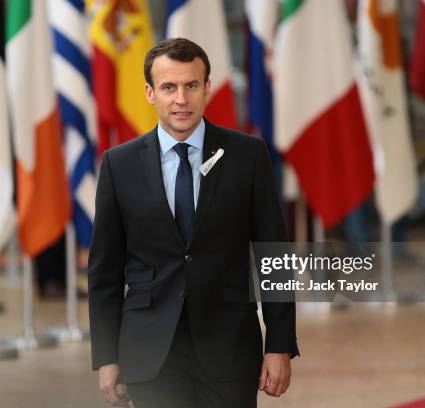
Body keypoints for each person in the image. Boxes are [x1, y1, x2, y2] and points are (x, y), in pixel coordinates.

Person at [88, 38, 299, 408]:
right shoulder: (119, 165)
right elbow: (104, 271)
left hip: (230, 350)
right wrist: (107, 356)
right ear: (150, 93)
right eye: (169, 87)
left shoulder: (247, 156)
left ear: (208, 89)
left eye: (191, 86)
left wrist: (279, 345)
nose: (181, 99)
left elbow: (274, 258)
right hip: (149, 354)